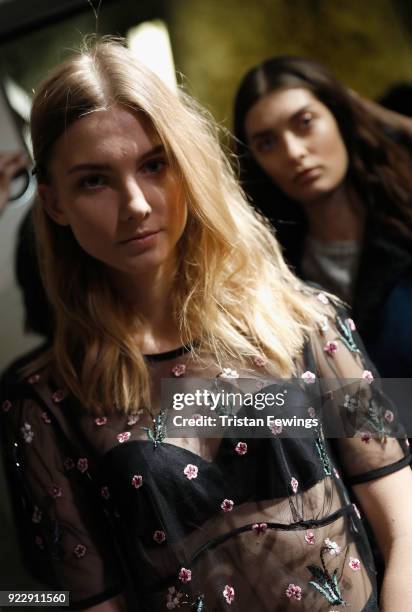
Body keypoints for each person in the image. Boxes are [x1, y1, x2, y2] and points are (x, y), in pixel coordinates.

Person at [1, 41, 412, 612]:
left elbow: (405, 525)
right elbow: (82, 600)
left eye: (154, 164)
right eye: (94, 180)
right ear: (53, 202)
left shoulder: (310, 321)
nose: (137, 204)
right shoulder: (45, 402)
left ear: (187, 165)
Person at [233, 56, 412, 378]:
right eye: (267, 142)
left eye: (304, 122)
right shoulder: (272, 274)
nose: (293, 152)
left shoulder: (403, 217)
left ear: (339, 117)